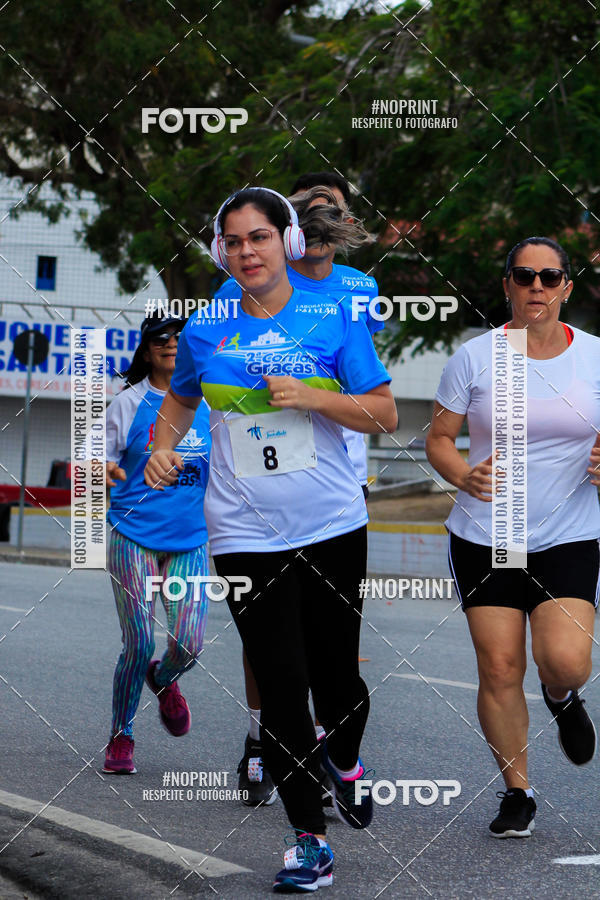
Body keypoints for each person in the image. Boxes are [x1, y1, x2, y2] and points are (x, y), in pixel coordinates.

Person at [144, 187, 397, 891]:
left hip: (332, 523)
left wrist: (312, 395)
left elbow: (382, 413)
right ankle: (306, 839)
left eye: (258, 237)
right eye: (232, 241)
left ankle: (345, 760)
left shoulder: (332, 315)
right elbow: (181, 399)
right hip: (243, 530)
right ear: (221, 250)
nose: (245, 251)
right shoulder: (205, 327)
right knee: (281, 681)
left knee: (336, 678)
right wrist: (163, 449)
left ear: (284, 241)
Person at [215, 180, 384, 805]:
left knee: (333, 654)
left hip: (337, 466)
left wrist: (321, 393)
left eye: (329, 202)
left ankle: (338, 748)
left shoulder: (358, 290)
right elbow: (211, 374)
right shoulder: (240, 292)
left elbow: (369, 380)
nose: (319, 211)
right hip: (255, 491)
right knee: (275, 645)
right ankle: (268, 738)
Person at [426, 236, 599, 839]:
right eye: (524, 276)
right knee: (499, 668)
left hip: (569, 532)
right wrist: (460, 473)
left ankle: (561, 696)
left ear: (566, 288)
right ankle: (517, 792)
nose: (536, 288)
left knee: (567, 661)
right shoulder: (475, 358)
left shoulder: (596, 358)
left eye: (549, 278)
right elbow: (438, 439)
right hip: (487, 533)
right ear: (507, 286)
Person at [103, 312, 211, 774]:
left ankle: (164, 680)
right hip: (134, 535)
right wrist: (100, 467)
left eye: (179, 337)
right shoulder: (127, 404)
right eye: (161, 338)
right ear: (147, 351)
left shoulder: (213, 403)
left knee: (189, 643)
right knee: (140, 639)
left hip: (190, 540)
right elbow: (95, 457)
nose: (171, 343)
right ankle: (121, 734)